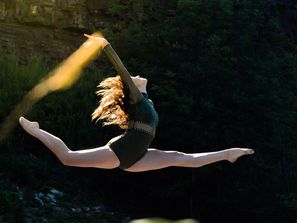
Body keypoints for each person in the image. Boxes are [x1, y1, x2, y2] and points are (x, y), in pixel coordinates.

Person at [19, 35, 254, 172]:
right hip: (122, 150)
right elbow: (122, 70)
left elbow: (141, 93)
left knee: (181, 158)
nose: (138, 75)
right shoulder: (137, 98)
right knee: (69, 158)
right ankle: (37, 130)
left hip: (139, 155)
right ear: (131, 85)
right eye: (134, 78)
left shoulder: (146, 101)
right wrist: (105, 45)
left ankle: (228, 154)